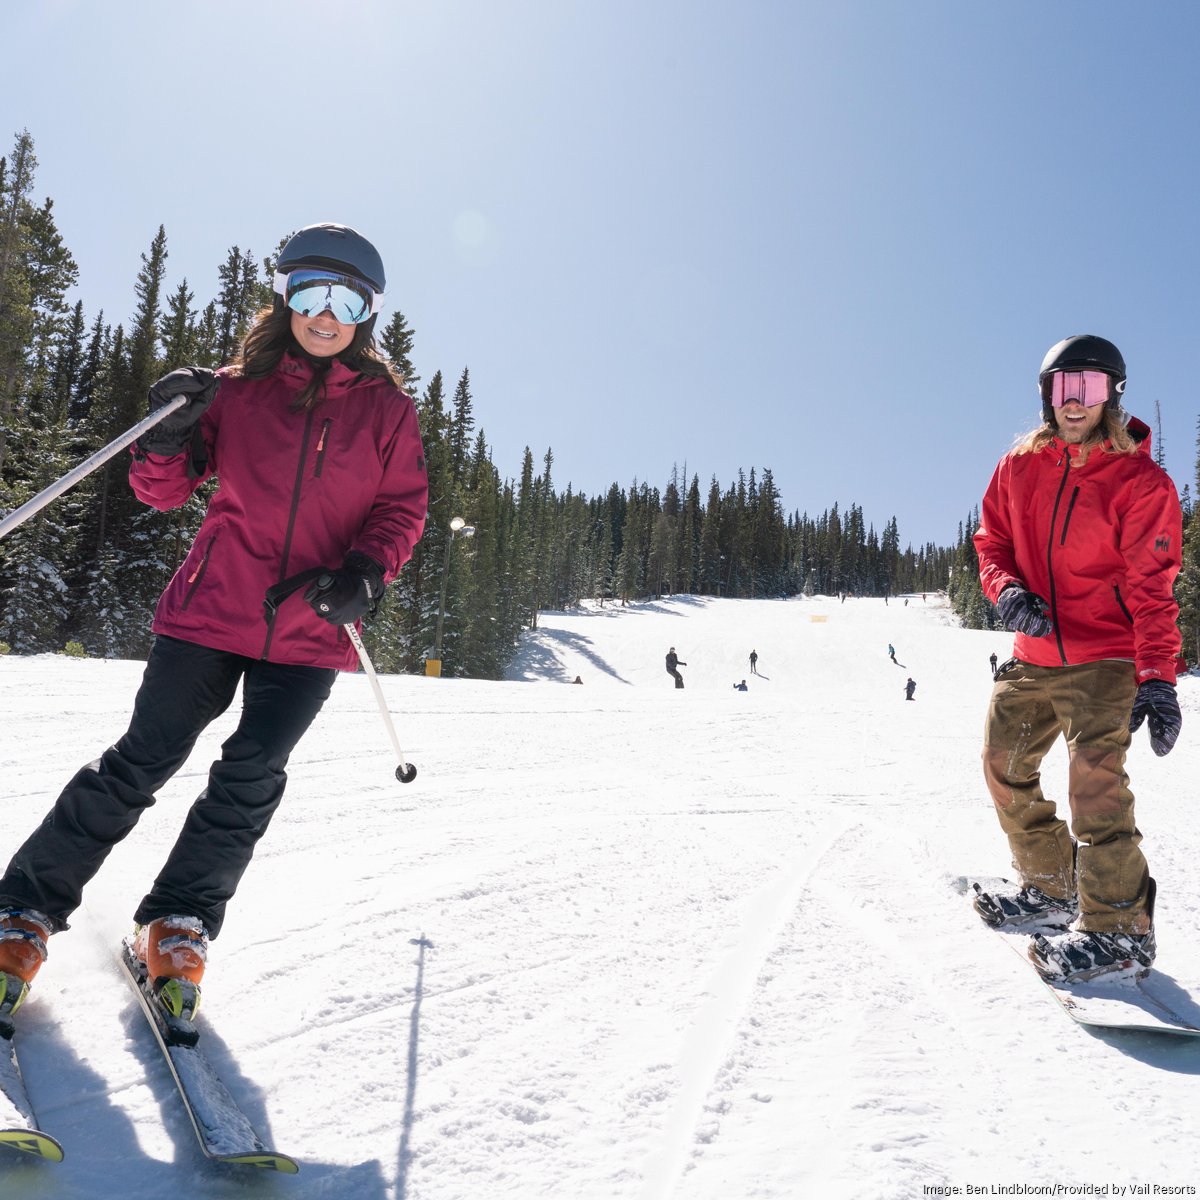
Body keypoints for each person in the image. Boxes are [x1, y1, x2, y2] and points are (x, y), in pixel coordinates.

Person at [0, 222, 428, 1029]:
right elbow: (161, 491)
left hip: (311, 629)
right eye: (309, 291)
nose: (324, 313)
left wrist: (367, 572)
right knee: (141, 761)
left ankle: (179, 919)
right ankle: (21, 911)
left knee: (251, 776)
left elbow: (401, 508)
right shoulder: (233, 390)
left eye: (345, 299)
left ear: (367, 312)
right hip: (211, 611)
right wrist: (166, 433)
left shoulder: (389, 412)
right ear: (284, 296)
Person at [970, 335, 1182, 983]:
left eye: (1090, 388)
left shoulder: (1140, 482)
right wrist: (1005, 591)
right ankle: (1052, 887)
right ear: (1046, 394)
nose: (1075, 402)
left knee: (1095, 784)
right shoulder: (1018, 467)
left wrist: (1158, 678)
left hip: (1106, 658)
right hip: (1033, 654)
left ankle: (1119, 928)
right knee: (1003, 766)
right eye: (1064, 387)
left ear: (1112, 395)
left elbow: (1153, 587)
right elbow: (992, 541)